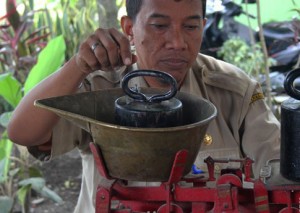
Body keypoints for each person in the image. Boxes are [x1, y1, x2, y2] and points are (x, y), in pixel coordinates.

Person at [7, 0, 280, 212]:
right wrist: (78, 65)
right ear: (129, 29)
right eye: (159, 26)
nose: (177, 43)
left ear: (203, 26)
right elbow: (22, 133)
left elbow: (279, 171)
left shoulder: (234, 91)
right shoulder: (100, 89)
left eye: (191, 27)